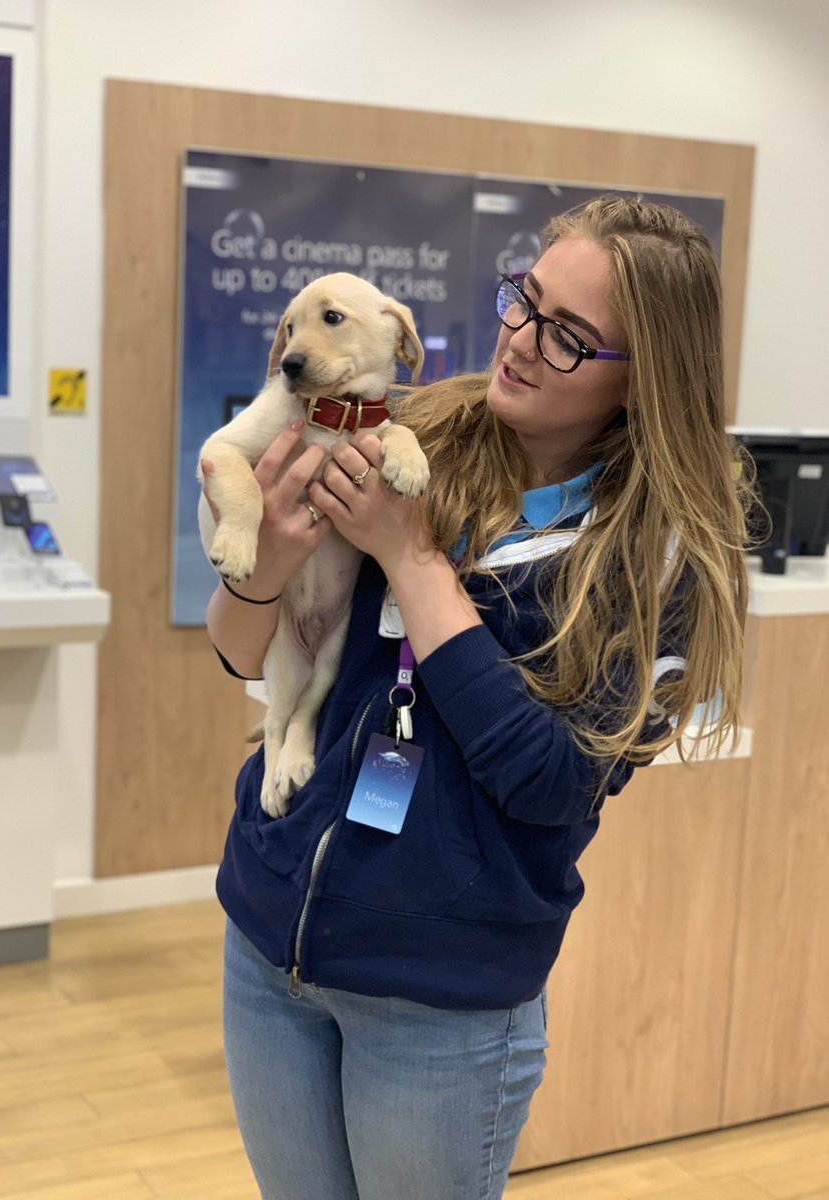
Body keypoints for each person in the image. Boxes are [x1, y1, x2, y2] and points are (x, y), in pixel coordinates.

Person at [201, 195, 751, 1200]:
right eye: (522, 300)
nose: (523, 343)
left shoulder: (657, 562)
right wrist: (262, 571)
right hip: (271, 940)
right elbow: (242, 656)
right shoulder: (409, 430)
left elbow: (550, 782)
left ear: (647, 382)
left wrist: (411, 562)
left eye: (571, 337)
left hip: (437, 1002)